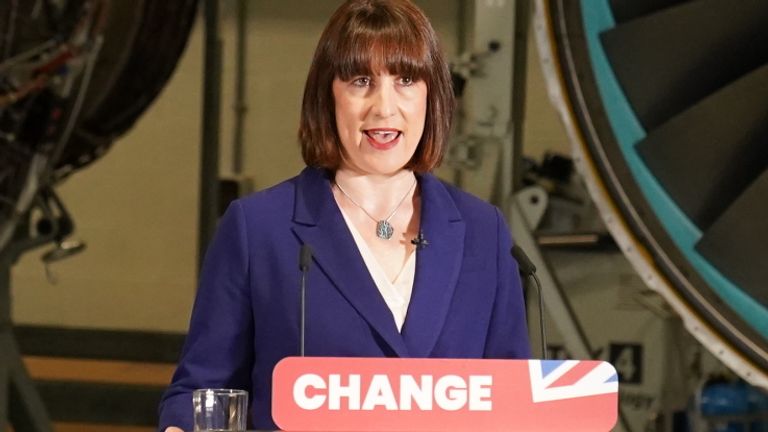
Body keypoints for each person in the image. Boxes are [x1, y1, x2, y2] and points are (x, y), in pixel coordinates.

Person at [158, 0, 530, 430]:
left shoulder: (484, 232)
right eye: (360, 81)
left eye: (406, 79)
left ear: (433, 95)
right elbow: (201, 392)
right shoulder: (258, 229)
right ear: (328, 95)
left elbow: (511, 397)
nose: (384, 107)